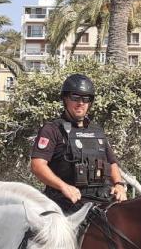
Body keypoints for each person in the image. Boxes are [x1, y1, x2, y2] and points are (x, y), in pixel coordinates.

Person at [30, 73, 127, 214]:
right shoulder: (52, 129)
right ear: (65, 99)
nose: (80, 103)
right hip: (64, 204)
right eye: (75, 97)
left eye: (86, 99)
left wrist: (119, 184)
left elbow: (112, 163)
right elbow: (37, 166)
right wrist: (63, 186)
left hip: (101, 202)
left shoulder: (97, 131)